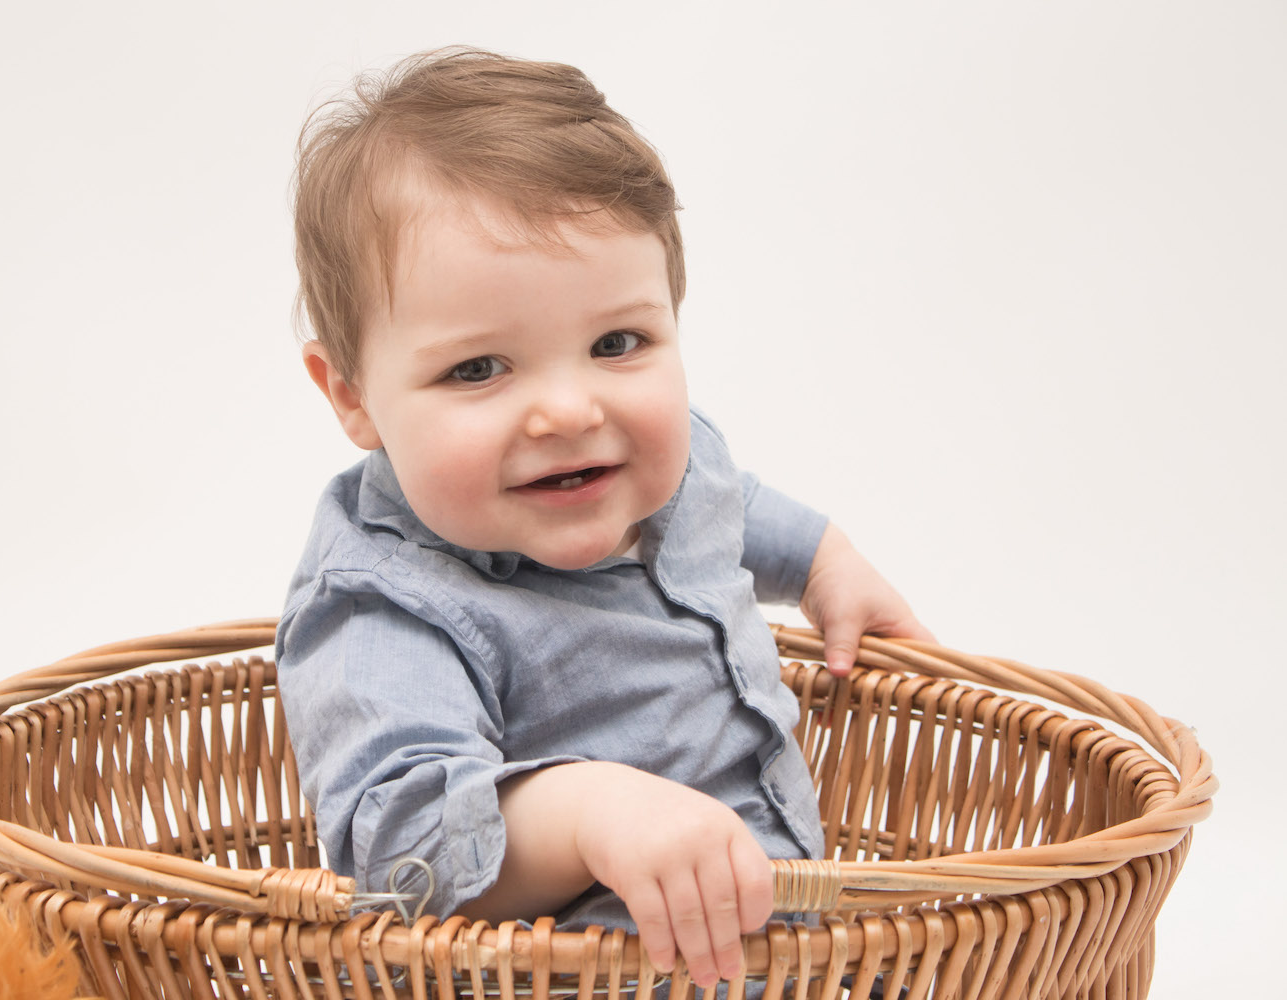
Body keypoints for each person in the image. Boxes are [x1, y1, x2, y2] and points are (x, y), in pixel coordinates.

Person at [276, 47, 931, 993]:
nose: (570, 412)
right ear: (353, 397)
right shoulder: (383, 606)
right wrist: (588, 814)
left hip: (798, 946)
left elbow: (723, 498)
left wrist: (829, 563)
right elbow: (401, 848)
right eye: (478, 369)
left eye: (616, 344)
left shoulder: (656, 464)